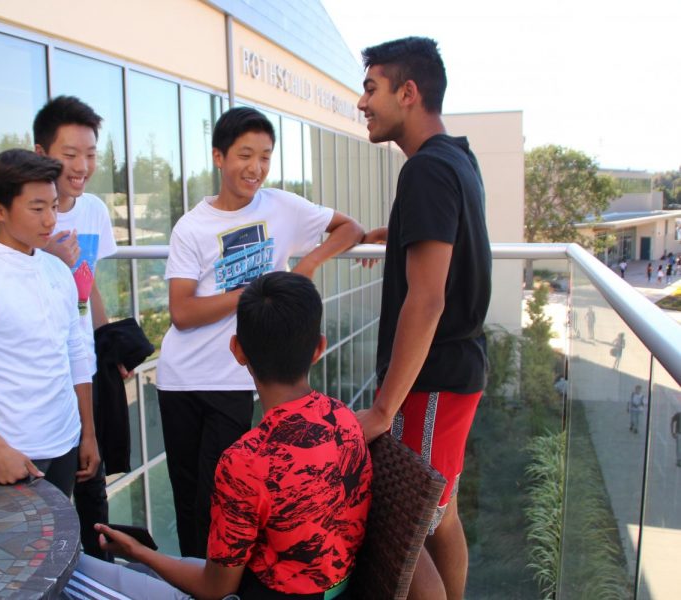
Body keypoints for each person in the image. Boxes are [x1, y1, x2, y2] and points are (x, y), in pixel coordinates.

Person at [63, 272, 372, 599]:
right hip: (333, 592)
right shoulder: (345, 419)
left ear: (237, 351)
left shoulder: (246, 462)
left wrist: (139, 552)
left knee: (76, 577)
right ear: (318, 348)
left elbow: (214, 588)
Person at [155, 106, 364, 558]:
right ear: (218, 157)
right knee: (188, 498)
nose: (256, 168)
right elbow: (183, 312)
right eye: (244, 155)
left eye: (265, 157)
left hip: (233, 376)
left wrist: (305, 266)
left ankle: (219, 583)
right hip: (179, 378)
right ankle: (199, 585)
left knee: (221, 499)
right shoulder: (192, 226)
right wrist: (257, 290)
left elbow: (351, 228)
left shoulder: (282, 207)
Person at [354, 37, 491, 600]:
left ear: (407, 93)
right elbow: (452, 244)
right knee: (441, 514)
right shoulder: (456, 156)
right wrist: (403, 236)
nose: (362, 103)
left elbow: (428, 300)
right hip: (457, 373)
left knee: (405, 529)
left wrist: (384, 407)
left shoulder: (425, 172)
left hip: (430, 383)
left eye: (371, 88)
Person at [0, 96, 121, 560]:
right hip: (37, 383)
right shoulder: (15, 219)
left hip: (81, 359)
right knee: (40, 513)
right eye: (69, 155)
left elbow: (89, 283)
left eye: (91, 154)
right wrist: (50, 261)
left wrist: (107, 343)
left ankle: (92, 573)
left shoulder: (95, 210)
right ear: (42, 151)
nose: (82, 166)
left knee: (93, 485)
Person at [0, 149, 98, 497]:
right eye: (37, 208)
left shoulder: (56, 269)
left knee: (66, 543)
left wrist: (88, 433)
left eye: (54, 206)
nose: (50, 220)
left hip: (66, 440)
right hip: (14, 451)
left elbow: (75, 353)